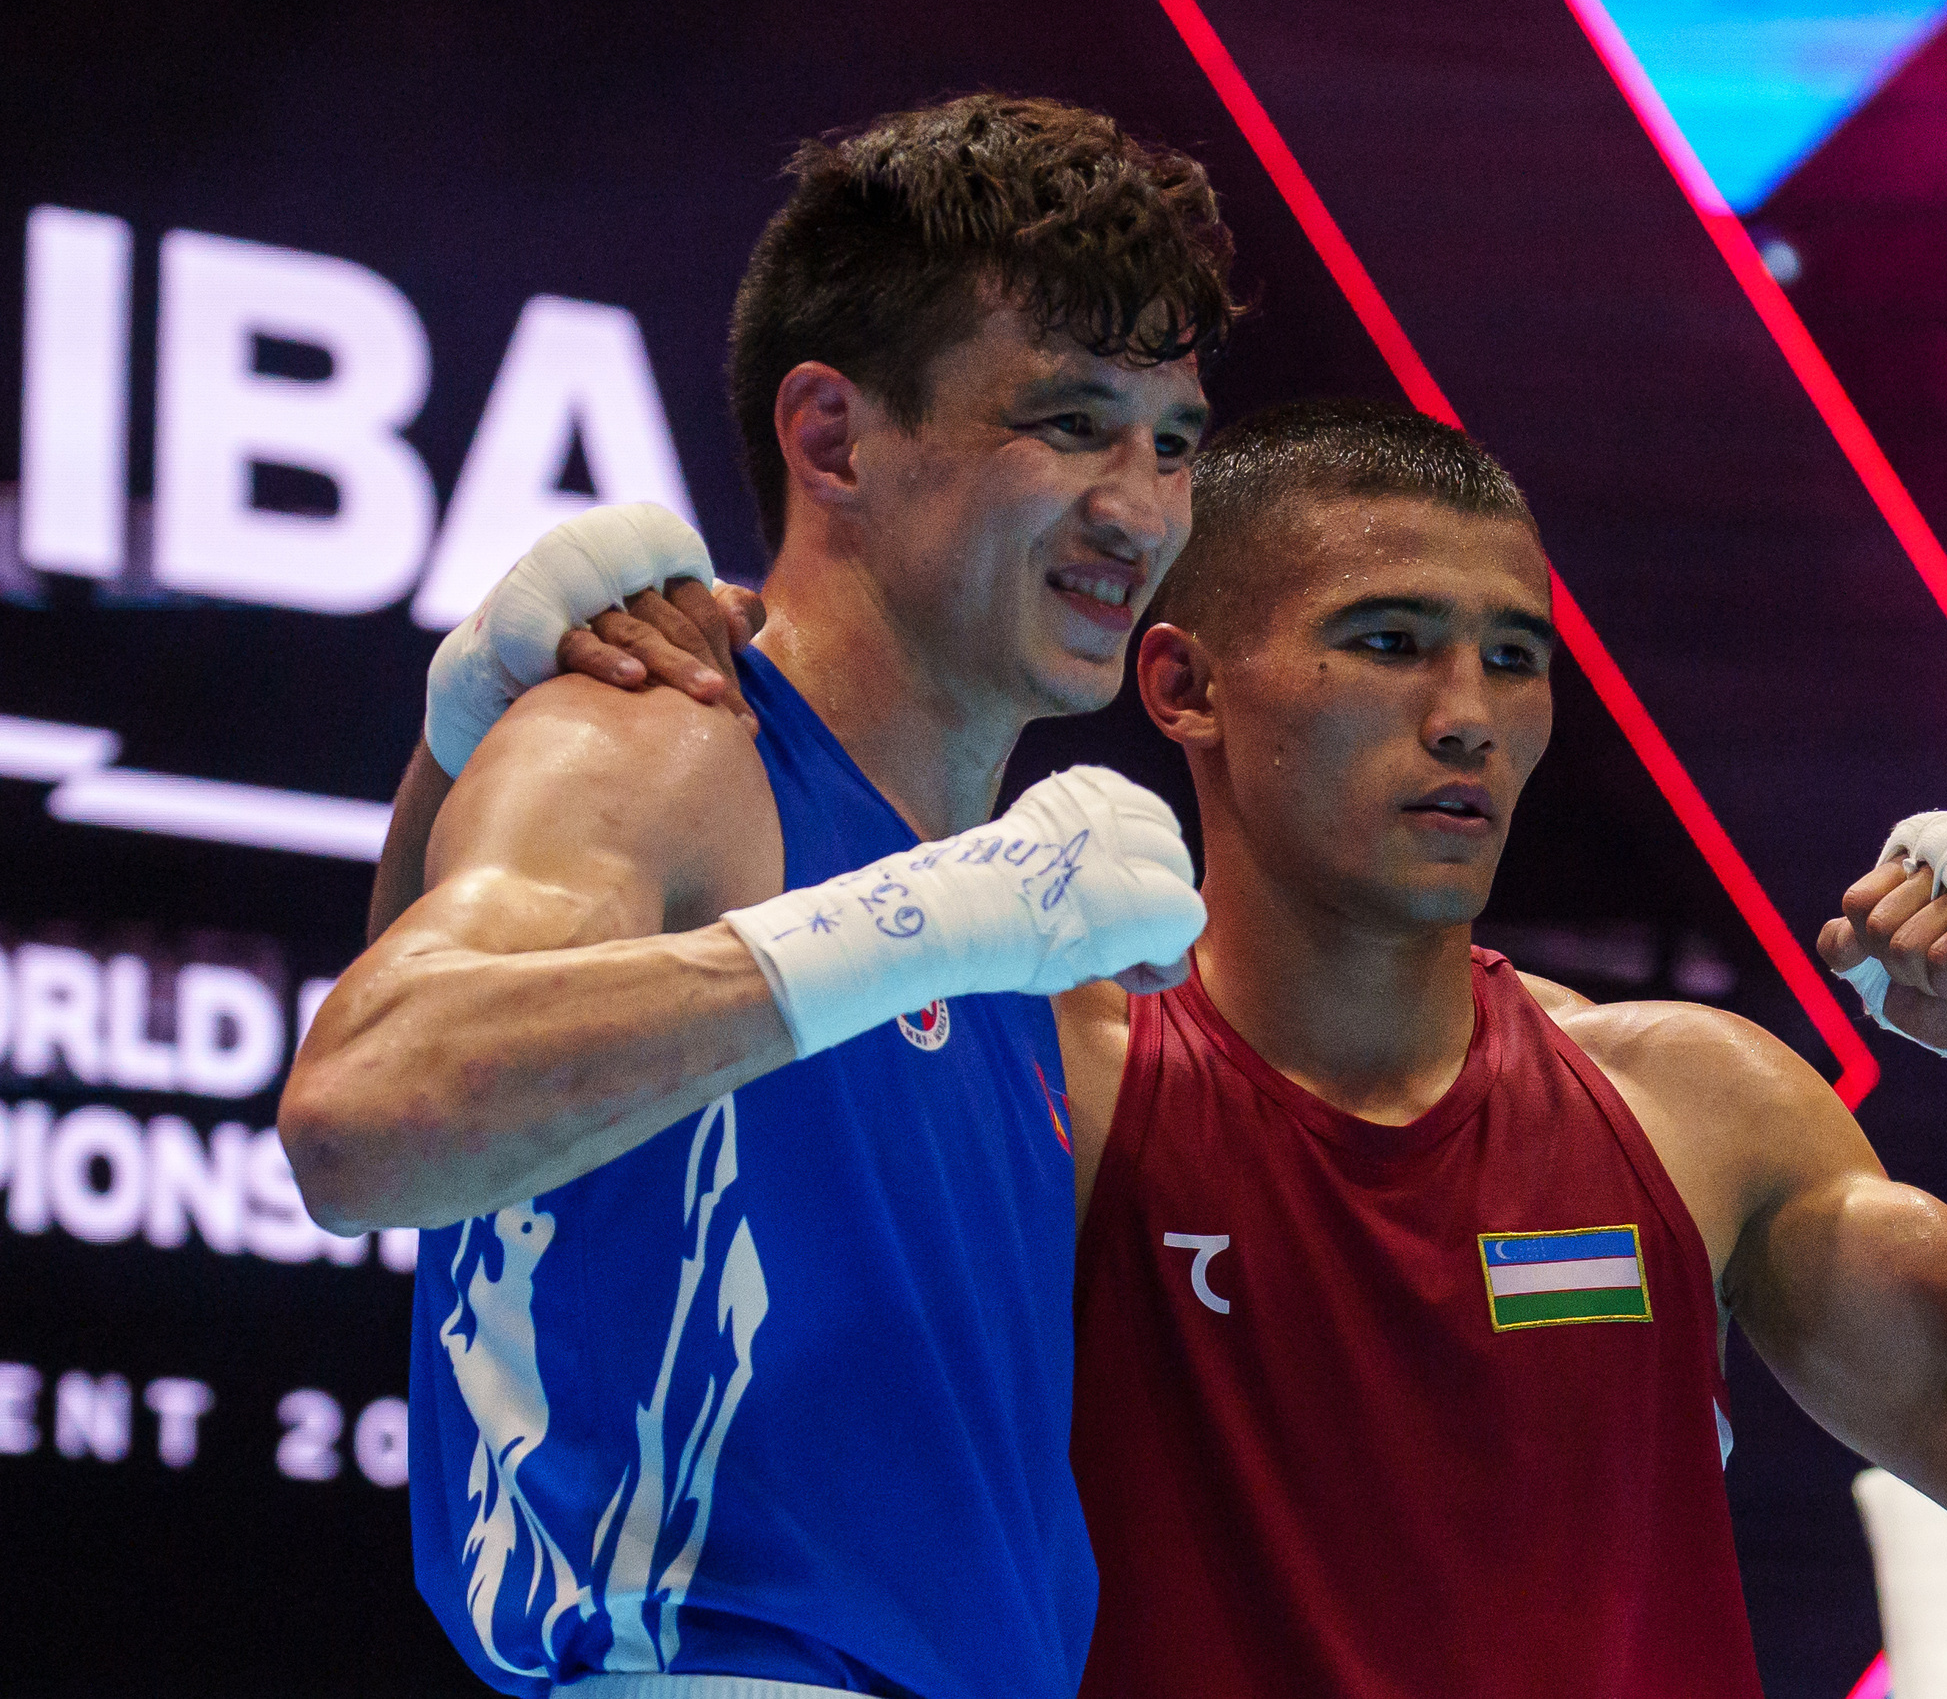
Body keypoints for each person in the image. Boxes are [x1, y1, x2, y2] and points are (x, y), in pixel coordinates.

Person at [424, 403, 1947, 1698]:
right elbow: (468, 1091)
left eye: (1516, 658)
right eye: (1390, 642)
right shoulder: (1037, 1076)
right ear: (1184, 682)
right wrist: (472, 738)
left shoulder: (1690, 1104)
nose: (1468, 715)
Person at [278, 95, 1242, 1699]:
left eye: (1173, 442)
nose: (1140, 509)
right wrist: (948, 913)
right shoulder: (670, 742)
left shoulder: (1010, 918)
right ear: (832, 437)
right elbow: (363, 1117)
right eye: (1069, 424)